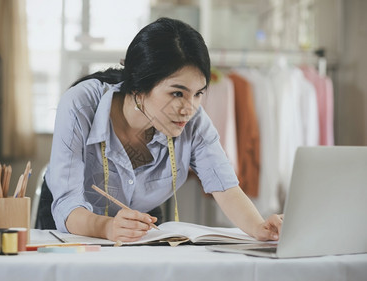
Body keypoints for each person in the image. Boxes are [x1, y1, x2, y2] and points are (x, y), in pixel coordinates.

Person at [40, 17, 283, 242]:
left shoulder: (194, 119)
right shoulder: (80, 105)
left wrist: (258, 227)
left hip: (136, 222)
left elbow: (225, 185)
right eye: (177, 93)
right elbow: (67, 205)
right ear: (138, 85)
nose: (189, 108)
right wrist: (107, 227)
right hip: (73, 224)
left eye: (198, 94)